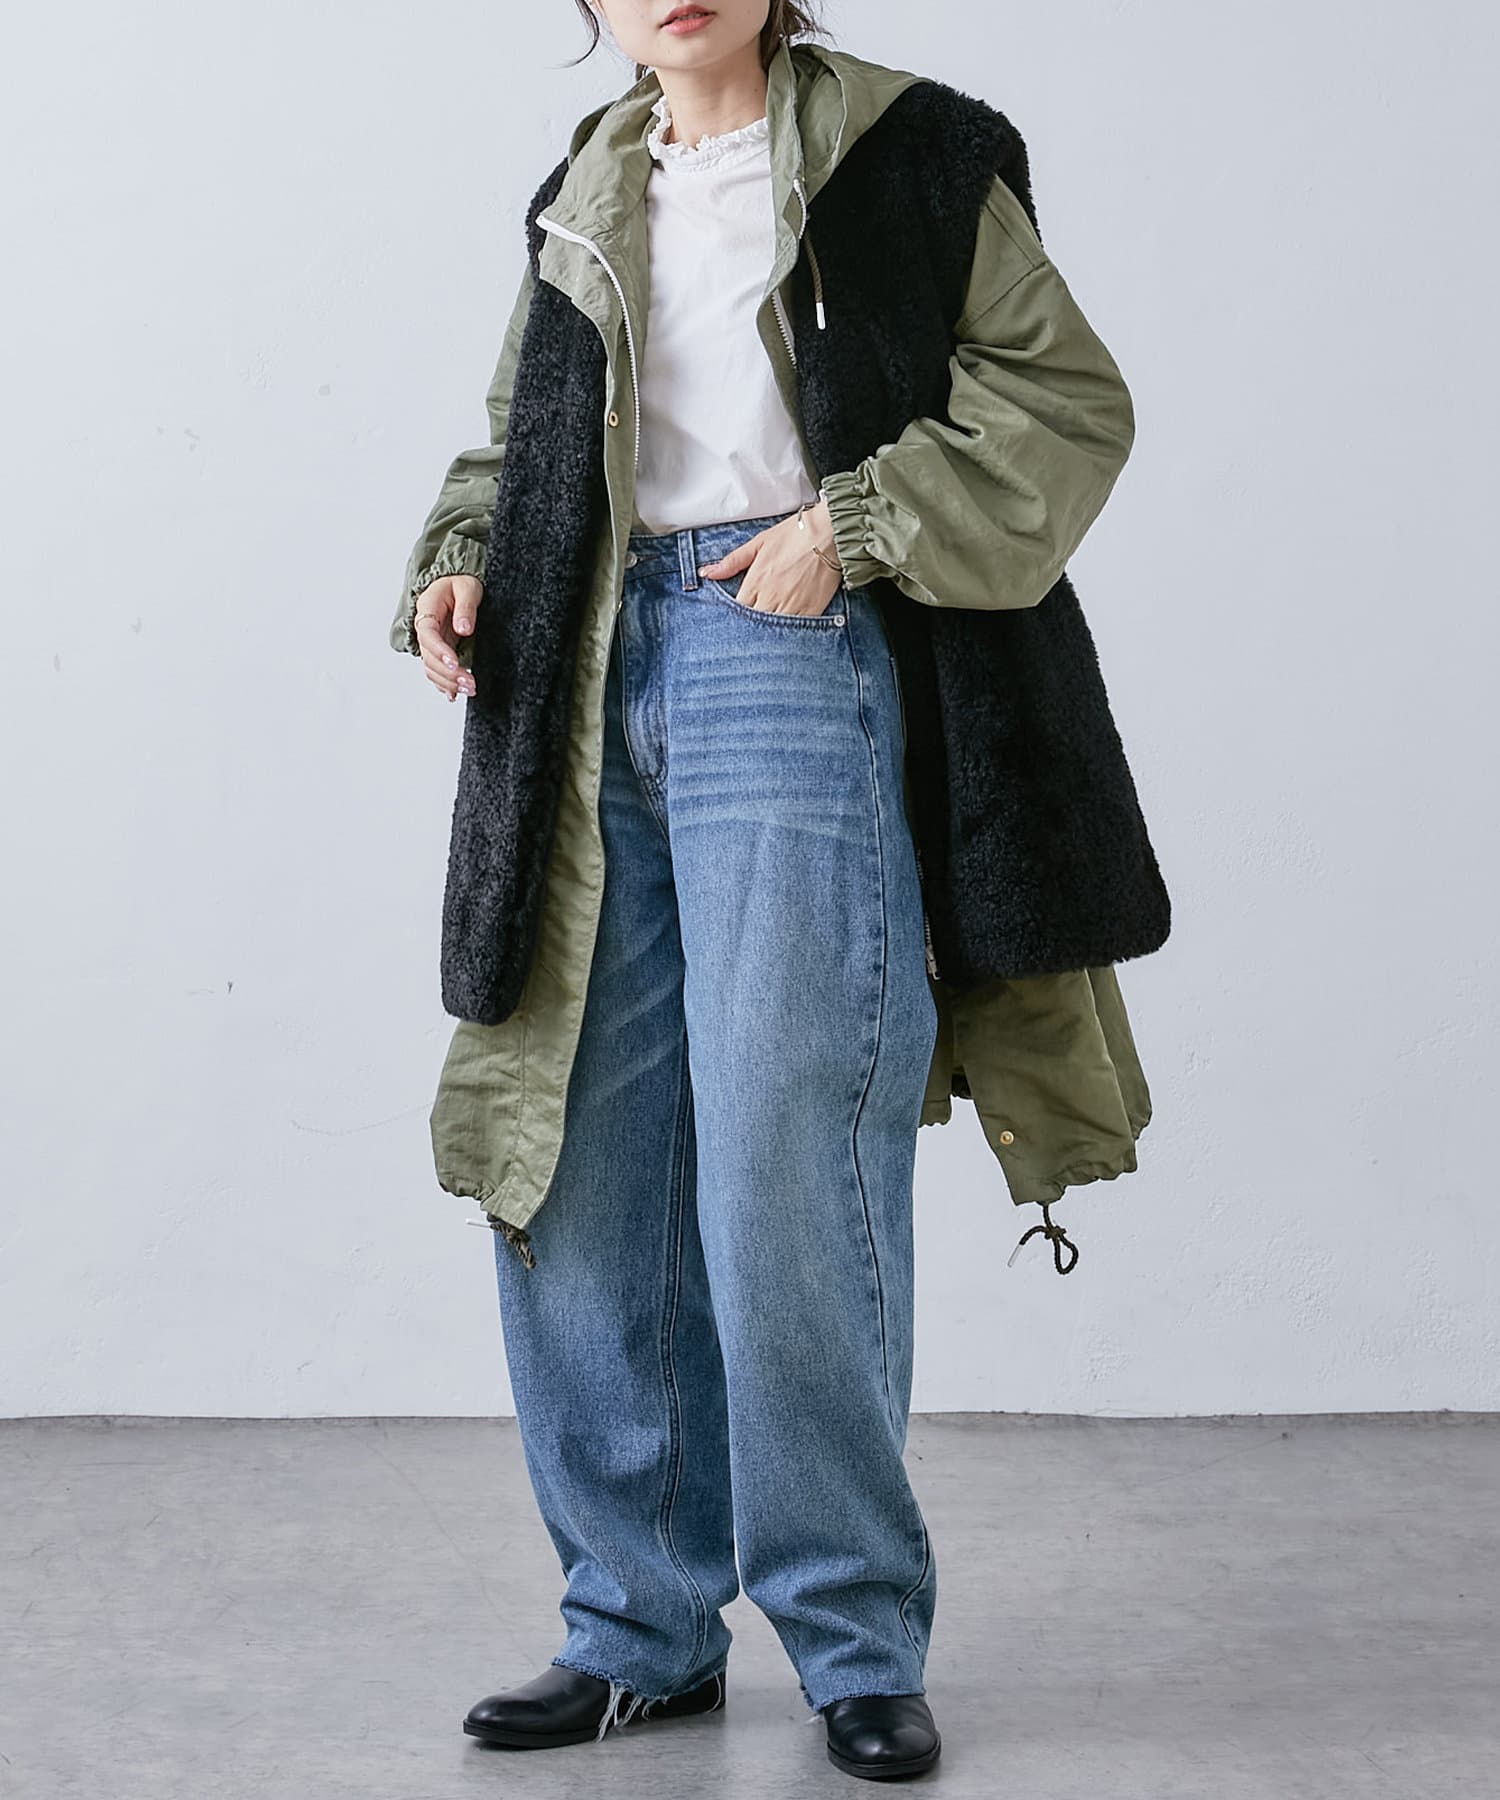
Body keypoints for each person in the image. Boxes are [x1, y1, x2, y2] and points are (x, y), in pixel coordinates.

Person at [392, 0, 1161, 1780]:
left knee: (784, 1158)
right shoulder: (587, 182)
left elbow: (1067, 403)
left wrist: (852, 525)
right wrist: (459, 558)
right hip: (582, 671)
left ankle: (852, 1638)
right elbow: (520, 439)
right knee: (580, 1154)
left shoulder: (911, 152)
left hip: (785, 650)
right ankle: (635, 1628)